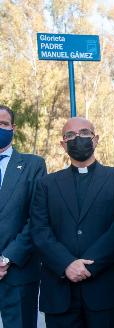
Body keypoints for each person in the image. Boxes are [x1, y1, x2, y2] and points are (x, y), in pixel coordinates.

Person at [30, 117, 114, 328]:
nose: (78, 139)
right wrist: (66, 263)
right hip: (60, 292)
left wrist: (88, 265)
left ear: (96, 139)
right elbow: (40, 230)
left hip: (106, 290)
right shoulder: (46, 185)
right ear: (62, 144)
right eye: (70, 135)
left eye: (84, 133)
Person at [0, 105, 46, 327]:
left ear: (13, 128)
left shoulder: (33, 165)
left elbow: (36, 218)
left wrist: (6, 258)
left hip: (18, 271)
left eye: (3, 124)